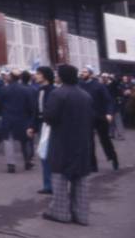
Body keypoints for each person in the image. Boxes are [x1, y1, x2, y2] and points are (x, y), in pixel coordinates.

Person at [42, 65, 94, 226]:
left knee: (59, 178)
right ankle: (82, 214)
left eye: (58, 74)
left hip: (62, 141)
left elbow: (50, 117)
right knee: (81, 180)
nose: (56, 76)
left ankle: (61, 213)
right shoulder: (86, 95)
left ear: (63, 76)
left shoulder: (58, 94)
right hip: (83, 141)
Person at [79, 67, 118, 171]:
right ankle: (93, 165)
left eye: (85, 72)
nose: (82, 73)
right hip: (87, 117)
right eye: (82, 72)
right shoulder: (80, 85)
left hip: (100, 116)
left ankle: (113, 158)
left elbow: (108, 100)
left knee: (105, 139)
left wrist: (109, 113)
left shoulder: (99, 86)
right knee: (89, 141)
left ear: (91, 74)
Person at [0, 70, 35, 173]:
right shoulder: (26, 90)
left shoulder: (4, 89)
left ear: (11, 77)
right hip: (23, 118)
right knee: (25, 141)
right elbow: (30, 106)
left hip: (8, 118)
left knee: (8, 141)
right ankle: (27, 161)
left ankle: (11, 164)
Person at [33, 66, 56, 194]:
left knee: (49, 153)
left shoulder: (53, 91)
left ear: (45, 76)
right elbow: (35, 110)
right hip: (41, 124)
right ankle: (48, 184)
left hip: (50, 125)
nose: (36, 76)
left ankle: (53, 183)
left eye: (38, 74)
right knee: (43, 153)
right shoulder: (39, 90)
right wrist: (32, 126)